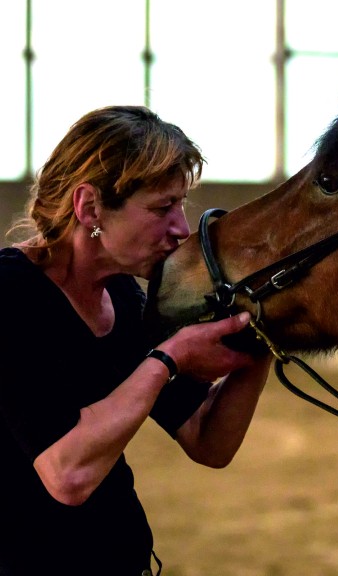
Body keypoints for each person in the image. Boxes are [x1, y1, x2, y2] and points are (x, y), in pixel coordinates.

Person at [0, 105, 272, 576]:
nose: (181, 230)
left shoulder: (125, 297)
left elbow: (209, 441)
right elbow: (67, 474)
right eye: (161, 207)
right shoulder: (9, 294)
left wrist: (262, 342)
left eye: (181, 206)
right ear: (89, 208)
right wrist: (169, 359)